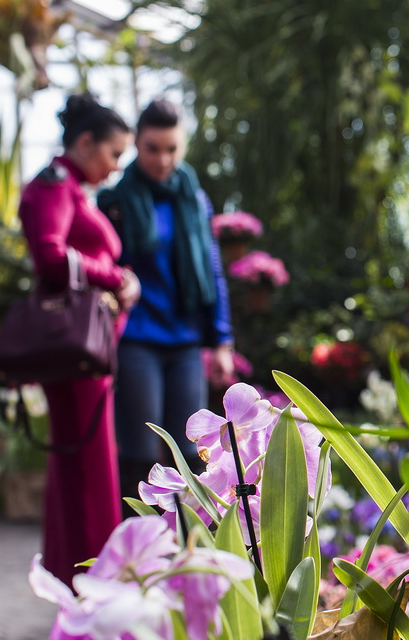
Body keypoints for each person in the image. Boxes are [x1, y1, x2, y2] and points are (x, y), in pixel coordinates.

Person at [19, 93, 139, 588]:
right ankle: (94, 584)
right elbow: (49, 256)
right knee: (88, 470)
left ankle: (75, 579)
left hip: (89, 355)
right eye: (113, 154)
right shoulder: (52, 186)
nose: (115, 168)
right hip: (75, 356)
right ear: (86, 143)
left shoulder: (72, 188)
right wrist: (115, 277)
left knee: (79, 467)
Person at [98, 99, 235, 508]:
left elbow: (212, 270)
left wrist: (223, 341)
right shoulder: (116, 201)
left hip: (186, 340)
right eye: (153, 148)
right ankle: (136, 555)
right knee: (140, 453)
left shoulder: (192, 198)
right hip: (138, 337)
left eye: (171, 148)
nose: (162, 158)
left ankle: (191, 554)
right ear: (136, 144)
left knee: (194, 452)